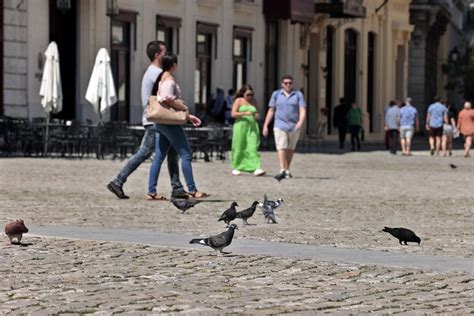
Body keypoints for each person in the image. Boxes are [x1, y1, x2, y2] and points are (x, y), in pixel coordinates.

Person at [106, 41, 187, 200]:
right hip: (155, 120)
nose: (167, 55)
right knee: (145, 152)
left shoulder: (153, 72)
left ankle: (177, 187)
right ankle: (118, 181)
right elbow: (158, 99)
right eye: (164, 53)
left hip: (157, 119)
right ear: (157, 55)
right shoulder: (157, 73)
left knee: (172, 151)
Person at [148, 54, 209, 199]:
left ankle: (151, 191)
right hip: (171, 124)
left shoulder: (161, 79)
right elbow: (167, 99)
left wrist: (188, 116)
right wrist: (183, 107)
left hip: (161, 123)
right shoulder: (169, 80)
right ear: (174, 64)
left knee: (159, 157)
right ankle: (192, 189)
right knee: (186, 154)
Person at [262, 75, 306, 180]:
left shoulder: (298, 95)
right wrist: (265, 125)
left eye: (290, 83)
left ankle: (287, 169)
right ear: (282, 84)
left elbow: (302, 110)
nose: (288, 85)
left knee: (290, 148)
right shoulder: (276, 94)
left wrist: (300, 122)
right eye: (286, 83)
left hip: (294, 125)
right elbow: (271, 110)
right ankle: (282, 169)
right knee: (281, 146)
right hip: (279, 124)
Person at [230, 84, 265, 176]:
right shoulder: (239, 100)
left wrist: (257, 115)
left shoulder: (254, 101)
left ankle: (255, 167)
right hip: (241, 125)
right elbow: (233, 114)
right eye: (248, 95)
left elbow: (257, 113)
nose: (250, 97)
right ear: (243, 94)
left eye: (251, 95)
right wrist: (245, 113)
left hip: (252, 126)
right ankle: (236, 166)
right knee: (239, 145)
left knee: (253, 146)